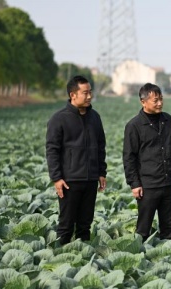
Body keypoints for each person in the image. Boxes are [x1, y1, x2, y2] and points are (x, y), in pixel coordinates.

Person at [46, 75, 107, 245]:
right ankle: (59, 258)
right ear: (73, 95)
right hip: (69, 181)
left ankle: (84, 260)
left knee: (85, 225)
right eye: (85, 93)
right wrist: (56, 178)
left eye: (90, 92)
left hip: (90, 180)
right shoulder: (59, 119)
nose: (89, 96)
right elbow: (52, 150)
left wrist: (101, 172)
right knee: (66, 225)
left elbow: (100, 146)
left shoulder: (94, 117)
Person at [123, 83, 171, 241]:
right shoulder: (134, 125)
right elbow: (129, 157)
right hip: (148, 185)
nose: (160, 103)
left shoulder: (168, 120)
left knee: (169, 228)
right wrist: (134, 184)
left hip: (168, 182)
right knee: (143, 228)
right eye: (155, 100)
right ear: (143, 102)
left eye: (161, 99)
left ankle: (168, 257)